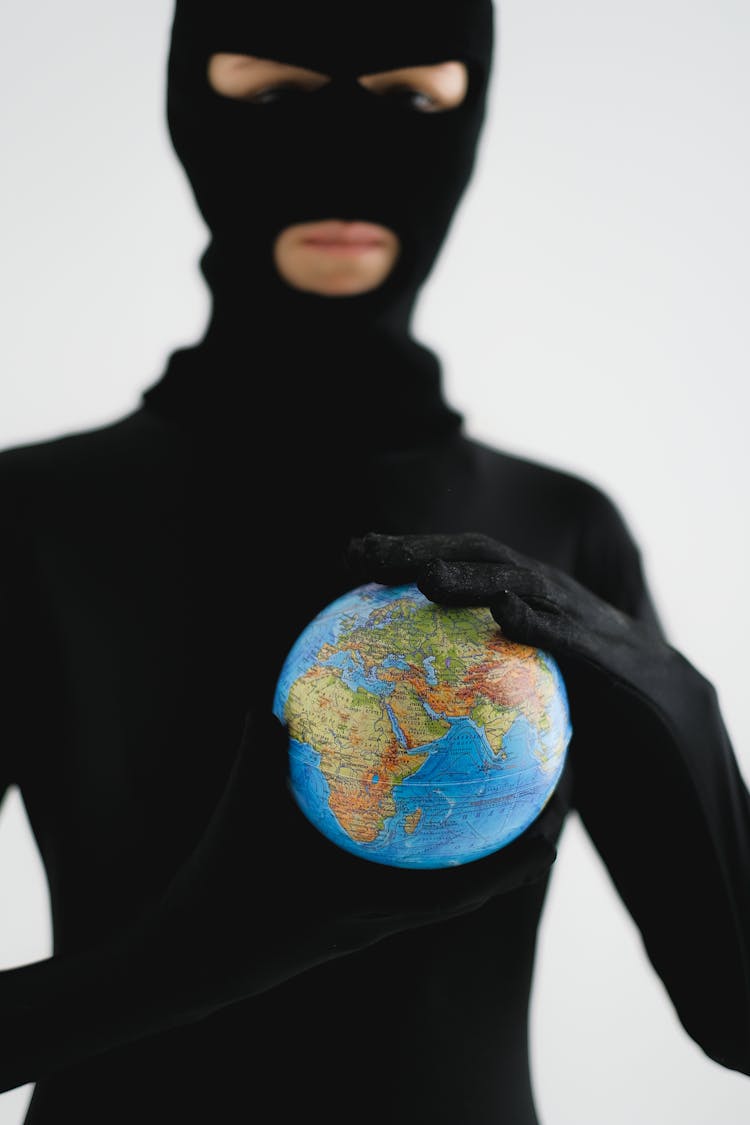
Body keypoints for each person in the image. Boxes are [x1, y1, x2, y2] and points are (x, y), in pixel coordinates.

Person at [1, 1, 748, 1122]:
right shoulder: (29, 518)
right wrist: (190, 960)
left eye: (410, 98)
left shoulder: (563, 524)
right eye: (272, 94)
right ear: (183, 109)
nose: (342, 155)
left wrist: (676, 707)